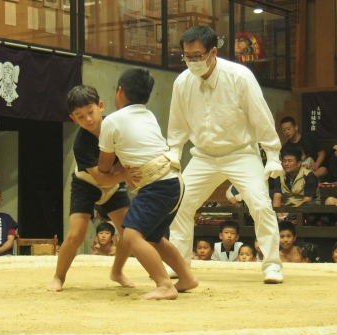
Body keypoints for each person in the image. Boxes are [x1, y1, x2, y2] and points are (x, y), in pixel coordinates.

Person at [166, 25, 283, 284]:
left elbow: (261, 117)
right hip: (203, 156)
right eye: (187, 56)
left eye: (198, 55)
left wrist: (272, 153)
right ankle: (178, 262)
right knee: (179, 205)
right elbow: (177, 124)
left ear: (213, 52)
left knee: (261, 204)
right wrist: (174, 153)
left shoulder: (240, 76)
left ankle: (272, 264)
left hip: (241, 153)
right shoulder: (182, 82)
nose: (192, 61)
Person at [98, 67, 198, 300]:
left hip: (157, 185)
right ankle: (186, 278)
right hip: (174, 181)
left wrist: (115, 172)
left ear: (119, 91)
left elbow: (103, 167)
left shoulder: (111, 121)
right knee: (153, 238)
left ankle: (164, 284)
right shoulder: (148, 115)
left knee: (131, 236)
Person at [48, 85, 135, 293]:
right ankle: (58, 277)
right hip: (86, 184)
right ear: (73, 119)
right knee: (77, 234)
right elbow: (98, 177)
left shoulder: (116, 127)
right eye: (80, 116)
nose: (87, 119)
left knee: (131, 233)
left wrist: (127, 174)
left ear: (100, 106)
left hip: (114, 182)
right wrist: (126, 176)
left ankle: (117, 271)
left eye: (90, 112)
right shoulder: (80, 143)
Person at [270, 147, 320, 220]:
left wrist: (289, 211)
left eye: (290, 161)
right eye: (284, 161)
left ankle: (288, 216)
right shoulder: (280, 176)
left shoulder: (308, 176)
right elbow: (277, 198)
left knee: (309, 205)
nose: (286, 164)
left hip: (306, 209)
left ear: (299, 163)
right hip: (287, 209)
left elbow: (307, 200)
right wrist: (279, 215)